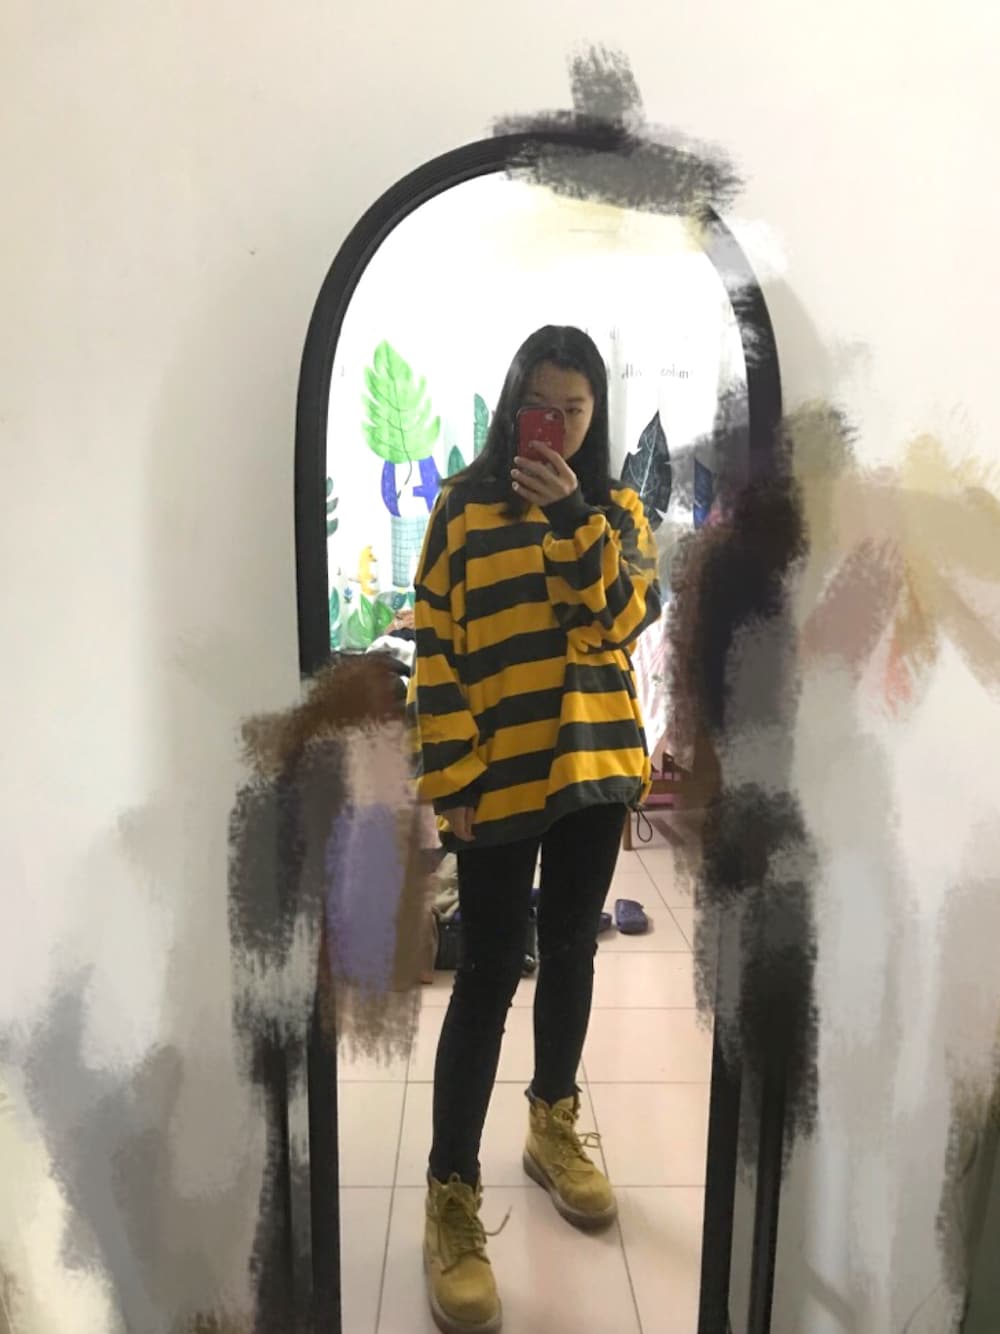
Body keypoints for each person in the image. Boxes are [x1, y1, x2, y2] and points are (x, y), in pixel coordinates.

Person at [407, 325, 662, 1334]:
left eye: (575, 409)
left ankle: (552, 1124)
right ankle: (449, 1193)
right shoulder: (461, 508)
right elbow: (436, 638)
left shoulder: (617, 512)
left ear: (595, 415)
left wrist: (571, 518)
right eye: (540, 405)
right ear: (516, 403)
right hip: (497, 771)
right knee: (485, 973)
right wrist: (452, 774)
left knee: (570, 949)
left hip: (591, 765)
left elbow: (623, 617)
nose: (555, 422)